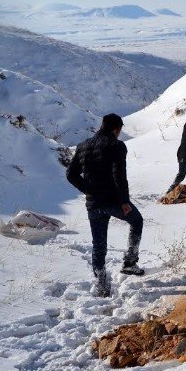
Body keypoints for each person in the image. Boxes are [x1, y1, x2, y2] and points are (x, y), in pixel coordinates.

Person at [66, 113, 144, 297]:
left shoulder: (83, 145)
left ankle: (102, 287)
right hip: (112, 201)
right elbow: (119, 175)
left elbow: (71, 174)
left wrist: (88, 190)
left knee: (98, 245)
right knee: (137, 221)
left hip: (93, 204)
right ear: (116, 129)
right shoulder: (116, 146)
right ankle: (130, 263)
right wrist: (124, 201)